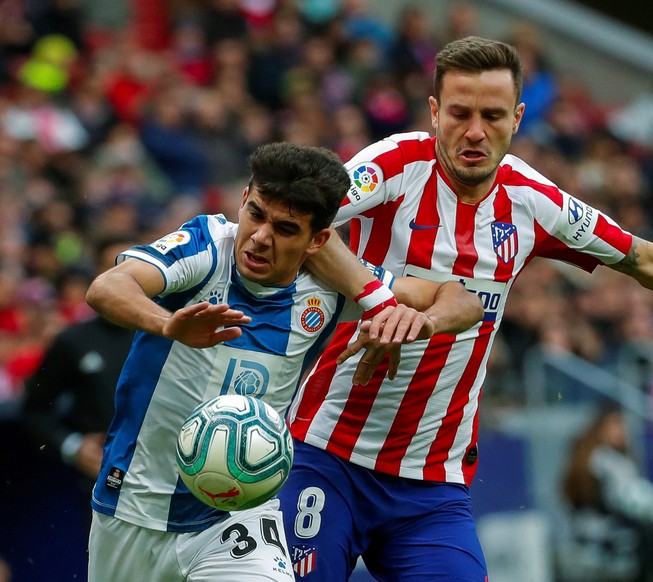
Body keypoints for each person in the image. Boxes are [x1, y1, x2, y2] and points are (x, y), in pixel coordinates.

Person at [279, 36, 653, 581]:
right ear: (434, 111)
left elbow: (652, 262)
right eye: (459, 113)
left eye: (492, 115)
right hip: (328, 452)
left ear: (518, 117)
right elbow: (304, 224)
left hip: (432, 481)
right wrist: (385, 295)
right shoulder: (391, 166)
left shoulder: (533, 202)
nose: (475, 131)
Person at [83, 142, 484, 582]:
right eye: (255, 214)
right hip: (135, 507)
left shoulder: (326, 287)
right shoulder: (205, 249)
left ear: (319, 241)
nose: (260, 236)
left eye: (285, 228)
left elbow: (461, 299)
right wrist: (167, 325)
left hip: (238, 518)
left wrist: (419, 321)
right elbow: (108, 287)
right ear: (243, 201)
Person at [19, 235, 140, 575]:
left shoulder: (172, 333)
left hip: (170, 480)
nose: (126, 276)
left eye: (136, 267)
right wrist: (73, 447)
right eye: (115, 266)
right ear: (98, 275)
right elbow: (34, 409)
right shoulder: (72, 341)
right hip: (105, 484)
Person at [559, 404, 653, 582]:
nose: (620, 431)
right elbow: (597, 501)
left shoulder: (623, 458)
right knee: (650, 538)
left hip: (624, 520)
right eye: (614, 426)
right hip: (601, 524)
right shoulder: (595, 460)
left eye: (622, 426)